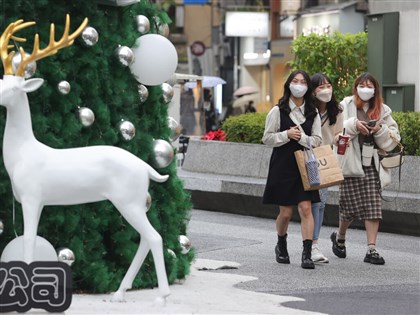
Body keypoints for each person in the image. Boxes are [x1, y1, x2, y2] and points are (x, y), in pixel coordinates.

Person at [331, 72, 401, 265]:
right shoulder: (345, 105)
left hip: (372, 162)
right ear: (355, 87)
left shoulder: (382, 109)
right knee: (349, 206)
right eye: (362, 85)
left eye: (370, 85)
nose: (366, 88)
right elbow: (334, 132)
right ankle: (340, 237)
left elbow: (395, 136)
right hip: (350, 160)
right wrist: (354, 125)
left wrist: (380, 130)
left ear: (375, 89)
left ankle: (371, 249)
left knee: (373, 205)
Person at [262, 69, 322, 269]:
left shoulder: (313, 113)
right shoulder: (277, 111)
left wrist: (302, 138)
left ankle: (306, 254)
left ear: (308, 87)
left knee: (306, 208)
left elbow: (318, 140)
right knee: (286, 213)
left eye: (303, 81)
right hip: (283, 164)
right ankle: (281, 244)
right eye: (295, 81)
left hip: (305, 165)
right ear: (288, 85)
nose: (299, 85)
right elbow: (267, 138)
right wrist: (286, 134)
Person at [310, 73, 343, 264]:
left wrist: (340, 139)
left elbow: (337, 134)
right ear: (313, 90)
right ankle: (284, 239)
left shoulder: (336, 111)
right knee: (303, 204)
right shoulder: (307, 109)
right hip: (306, 156)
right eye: (321, 87)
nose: (326, 90)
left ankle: (313, 244)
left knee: (320, 203)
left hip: (325, 159)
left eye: (328, 86)